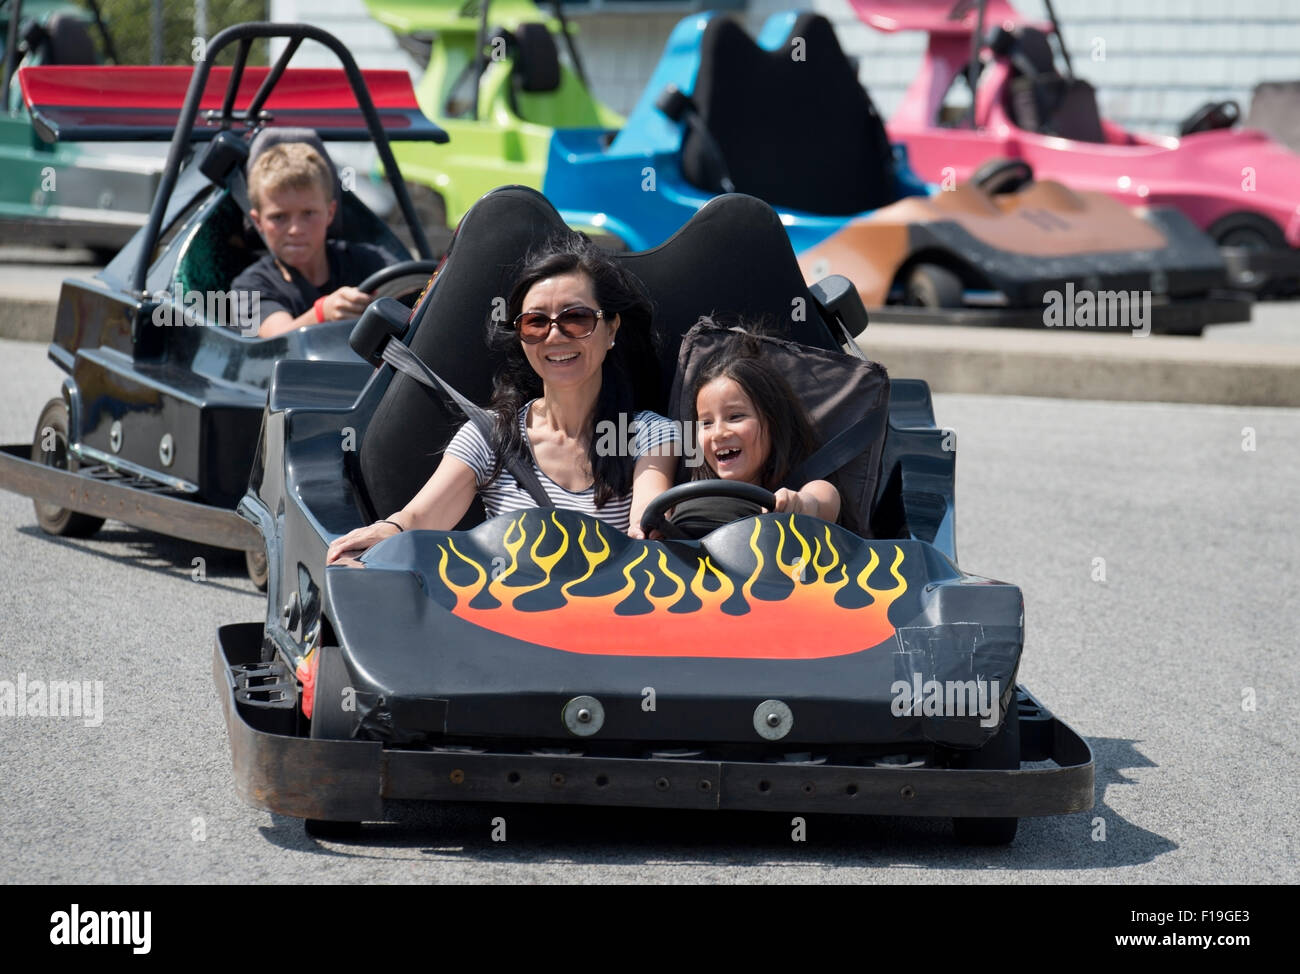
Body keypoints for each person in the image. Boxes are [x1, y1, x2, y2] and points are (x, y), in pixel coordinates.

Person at [326, 233, 680, 563]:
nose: (555, 335)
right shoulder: (490, 435)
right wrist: (388, 531)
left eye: (576, 318)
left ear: (611, 329)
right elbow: (421, 516)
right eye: (535, 323)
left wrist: (650, 532)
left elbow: (647, 521)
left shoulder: (651, 436)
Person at [231, 142, 395, 338]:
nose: (295, 230)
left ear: (330, 213)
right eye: (279, 217)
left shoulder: (370, 261)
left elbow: (414, 288)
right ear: (258, 222)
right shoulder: (250, 286)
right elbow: (277, 341)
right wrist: (322, 313)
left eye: (308, 214)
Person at [685, 325, 841, 523]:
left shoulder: (807, 489)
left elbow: (821, 501)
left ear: (773, 422)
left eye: (735, 417)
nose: (717, 434)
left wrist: (801, 504)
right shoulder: (689, 500)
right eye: (706, 423)